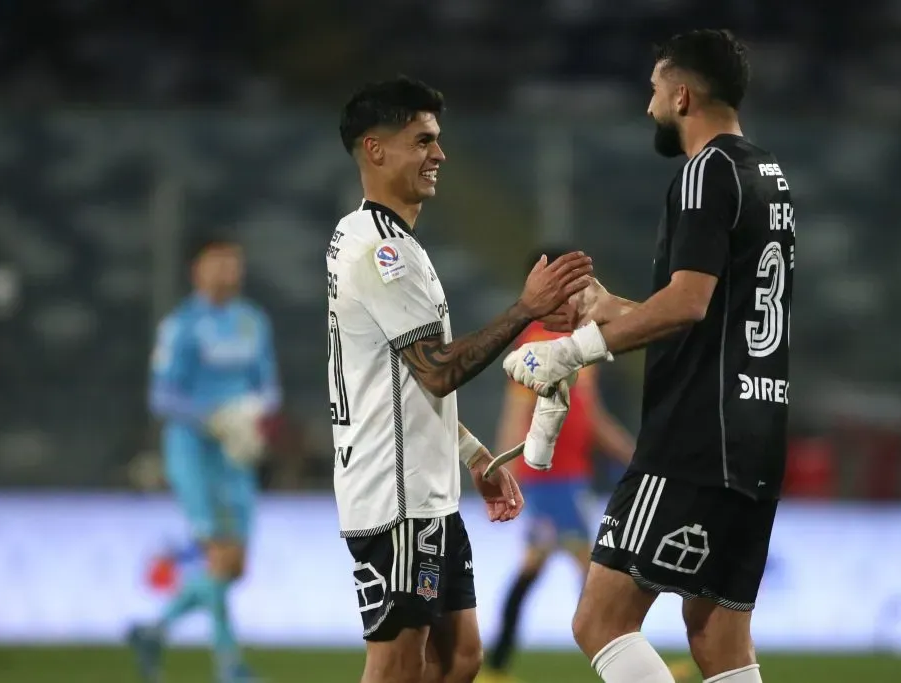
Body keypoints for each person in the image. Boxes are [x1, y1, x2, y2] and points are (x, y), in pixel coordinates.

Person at [503, 30, 794, 683]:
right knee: (718, 635)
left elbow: (688, 303)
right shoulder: (766, 174)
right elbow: (716, 314)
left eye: (655, 91)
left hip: (694, 436)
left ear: (682, 95)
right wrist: (610, 306)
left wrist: (571, 350)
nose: (649, 107)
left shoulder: (704, 173)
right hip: (756, 433)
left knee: (600, 620)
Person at [330, 77, 593, 683]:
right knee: (399, 662)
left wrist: (475, 454)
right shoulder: (380, 253)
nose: (439, 154)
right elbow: (438, 370)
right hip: (395, 498)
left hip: (426, 490)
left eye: (438, 140)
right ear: (376, 149)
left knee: (459, 658)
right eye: (422, 140)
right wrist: (524, 309)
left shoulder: (390, 243)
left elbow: (406, 379)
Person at [481, 247, 695, 683]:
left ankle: (496, 668)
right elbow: (518, 412)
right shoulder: (540, 342)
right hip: (549, 480)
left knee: (535, 568)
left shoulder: (577, 341)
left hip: (571, 475)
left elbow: (589, 416)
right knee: (592, 570)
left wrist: (631, 452)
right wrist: (501, 470)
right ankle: (627, 661)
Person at [128, 238, 282, 683]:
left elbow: (268, 386)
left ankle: (153, 630)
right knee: (219, 558)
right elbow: (161, 397)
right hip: (194, 454)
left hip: (237, 455)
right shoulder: (182, 326)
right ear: (196, 269)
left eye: (234, 262)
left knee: (234, 566)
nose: (228, 270)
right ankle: (230, 668)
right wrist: (212, 419)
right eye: (218, 262)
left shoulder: (252, 322)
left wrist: (251, 414)